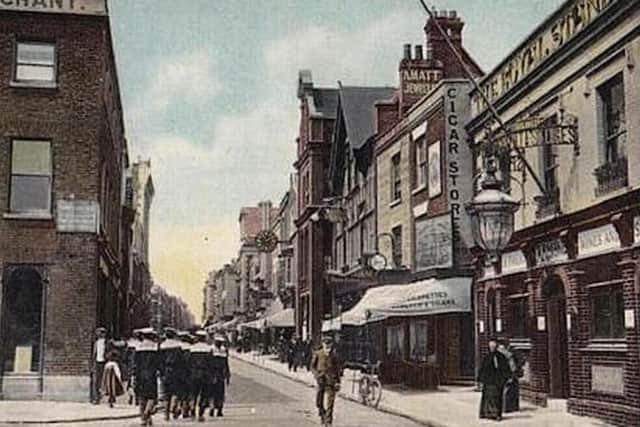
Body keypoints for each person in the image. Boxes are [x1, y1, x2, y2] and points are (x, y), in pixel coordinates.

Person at [311, 334, 342, 427]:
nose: (327, 346)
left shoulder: (334, 355)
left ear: (331, 345)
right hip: (321, 380)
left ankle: (328, 421)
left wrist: (338, 381)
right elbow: (312, 366)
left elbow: (337, 369)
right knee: (318, 401)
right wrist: (316, 375)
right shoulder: (318, 353)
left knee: (330, 402)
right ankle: (322, 413)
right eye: (325, 344)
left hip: (331, 381)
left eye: (329, 345)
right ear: (322, 344)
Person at [478, 337, 512, 421]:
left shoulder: (501, 357)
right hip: (489, 381)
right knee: (488, 397)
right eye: (491, 345)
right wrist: (481, 379)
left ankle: (496, 414)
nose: (492, 346)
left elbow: (505, 368)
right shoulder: (487, 357)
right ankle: (487, 413)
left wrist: (506, 377)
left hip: (497, 380)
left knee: (497, 397)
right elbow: (483, 368)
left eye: (494, 345)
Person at [134, 328, 161, 426]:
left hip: (140, 375)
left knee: (142, 397)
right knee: (152, 397)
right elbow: (159, 363)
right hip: (151, 375)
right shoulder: (155, 347)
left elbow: (135, 363)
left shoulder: (138, 347)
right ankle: (146, 414)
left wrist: (134, 375)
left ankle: (143, 420)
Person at [159, 328, 186, 421]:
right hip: (177, 371)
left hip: (166, 371)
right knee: (176, 392)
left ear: (166, 335)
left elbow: (160, 361)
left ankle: (166, 415)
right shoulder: (178, 346)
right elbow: (182, 361)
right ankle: (174, 408)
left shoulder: (162, 346)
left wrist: (161, 373)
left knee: (166, 394)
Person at [190, 330, 213, 422]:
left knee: (193, 394)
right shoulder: (208, 349)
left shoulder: (192, 348)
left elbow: (188, 362)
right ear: (204, 338)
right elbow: (211, 364)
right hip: (205, 375)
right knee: (204, 395)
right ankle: (200, 414)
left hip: (194, 373)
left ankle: (192, 412)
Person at [210, 334, 231, 417]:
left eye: (220, 342)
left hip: (220, 374)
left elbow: (226, 364)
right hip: (214, 373)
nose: (219, 343)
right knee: (213, 392)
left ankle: (219, 409)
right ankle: (213, 408)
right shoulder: (211, 350)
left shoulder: (224, 350)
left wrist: (228, 375)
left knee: (220, 392)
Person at [499, 340, 522, 413]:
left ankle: (506, 407)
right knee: (508, 389)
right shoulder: (507, 354)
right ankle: (508, 407)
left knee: (506, 389)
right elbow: (512, 365)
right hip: (508, 374)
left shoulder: (498, 352)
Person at [91, 327, 108, 404]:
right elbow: (94, 354)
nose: (99, 334)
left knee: (106, 380)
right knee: (97, 381)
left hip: (105, 363)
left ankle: (108, 398)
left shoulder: (107, 342)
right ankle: (97, 398)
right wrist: (92, 364)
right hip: (98, 363)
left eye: (100, 333)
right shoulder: (96, 343)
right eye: (98, 333)